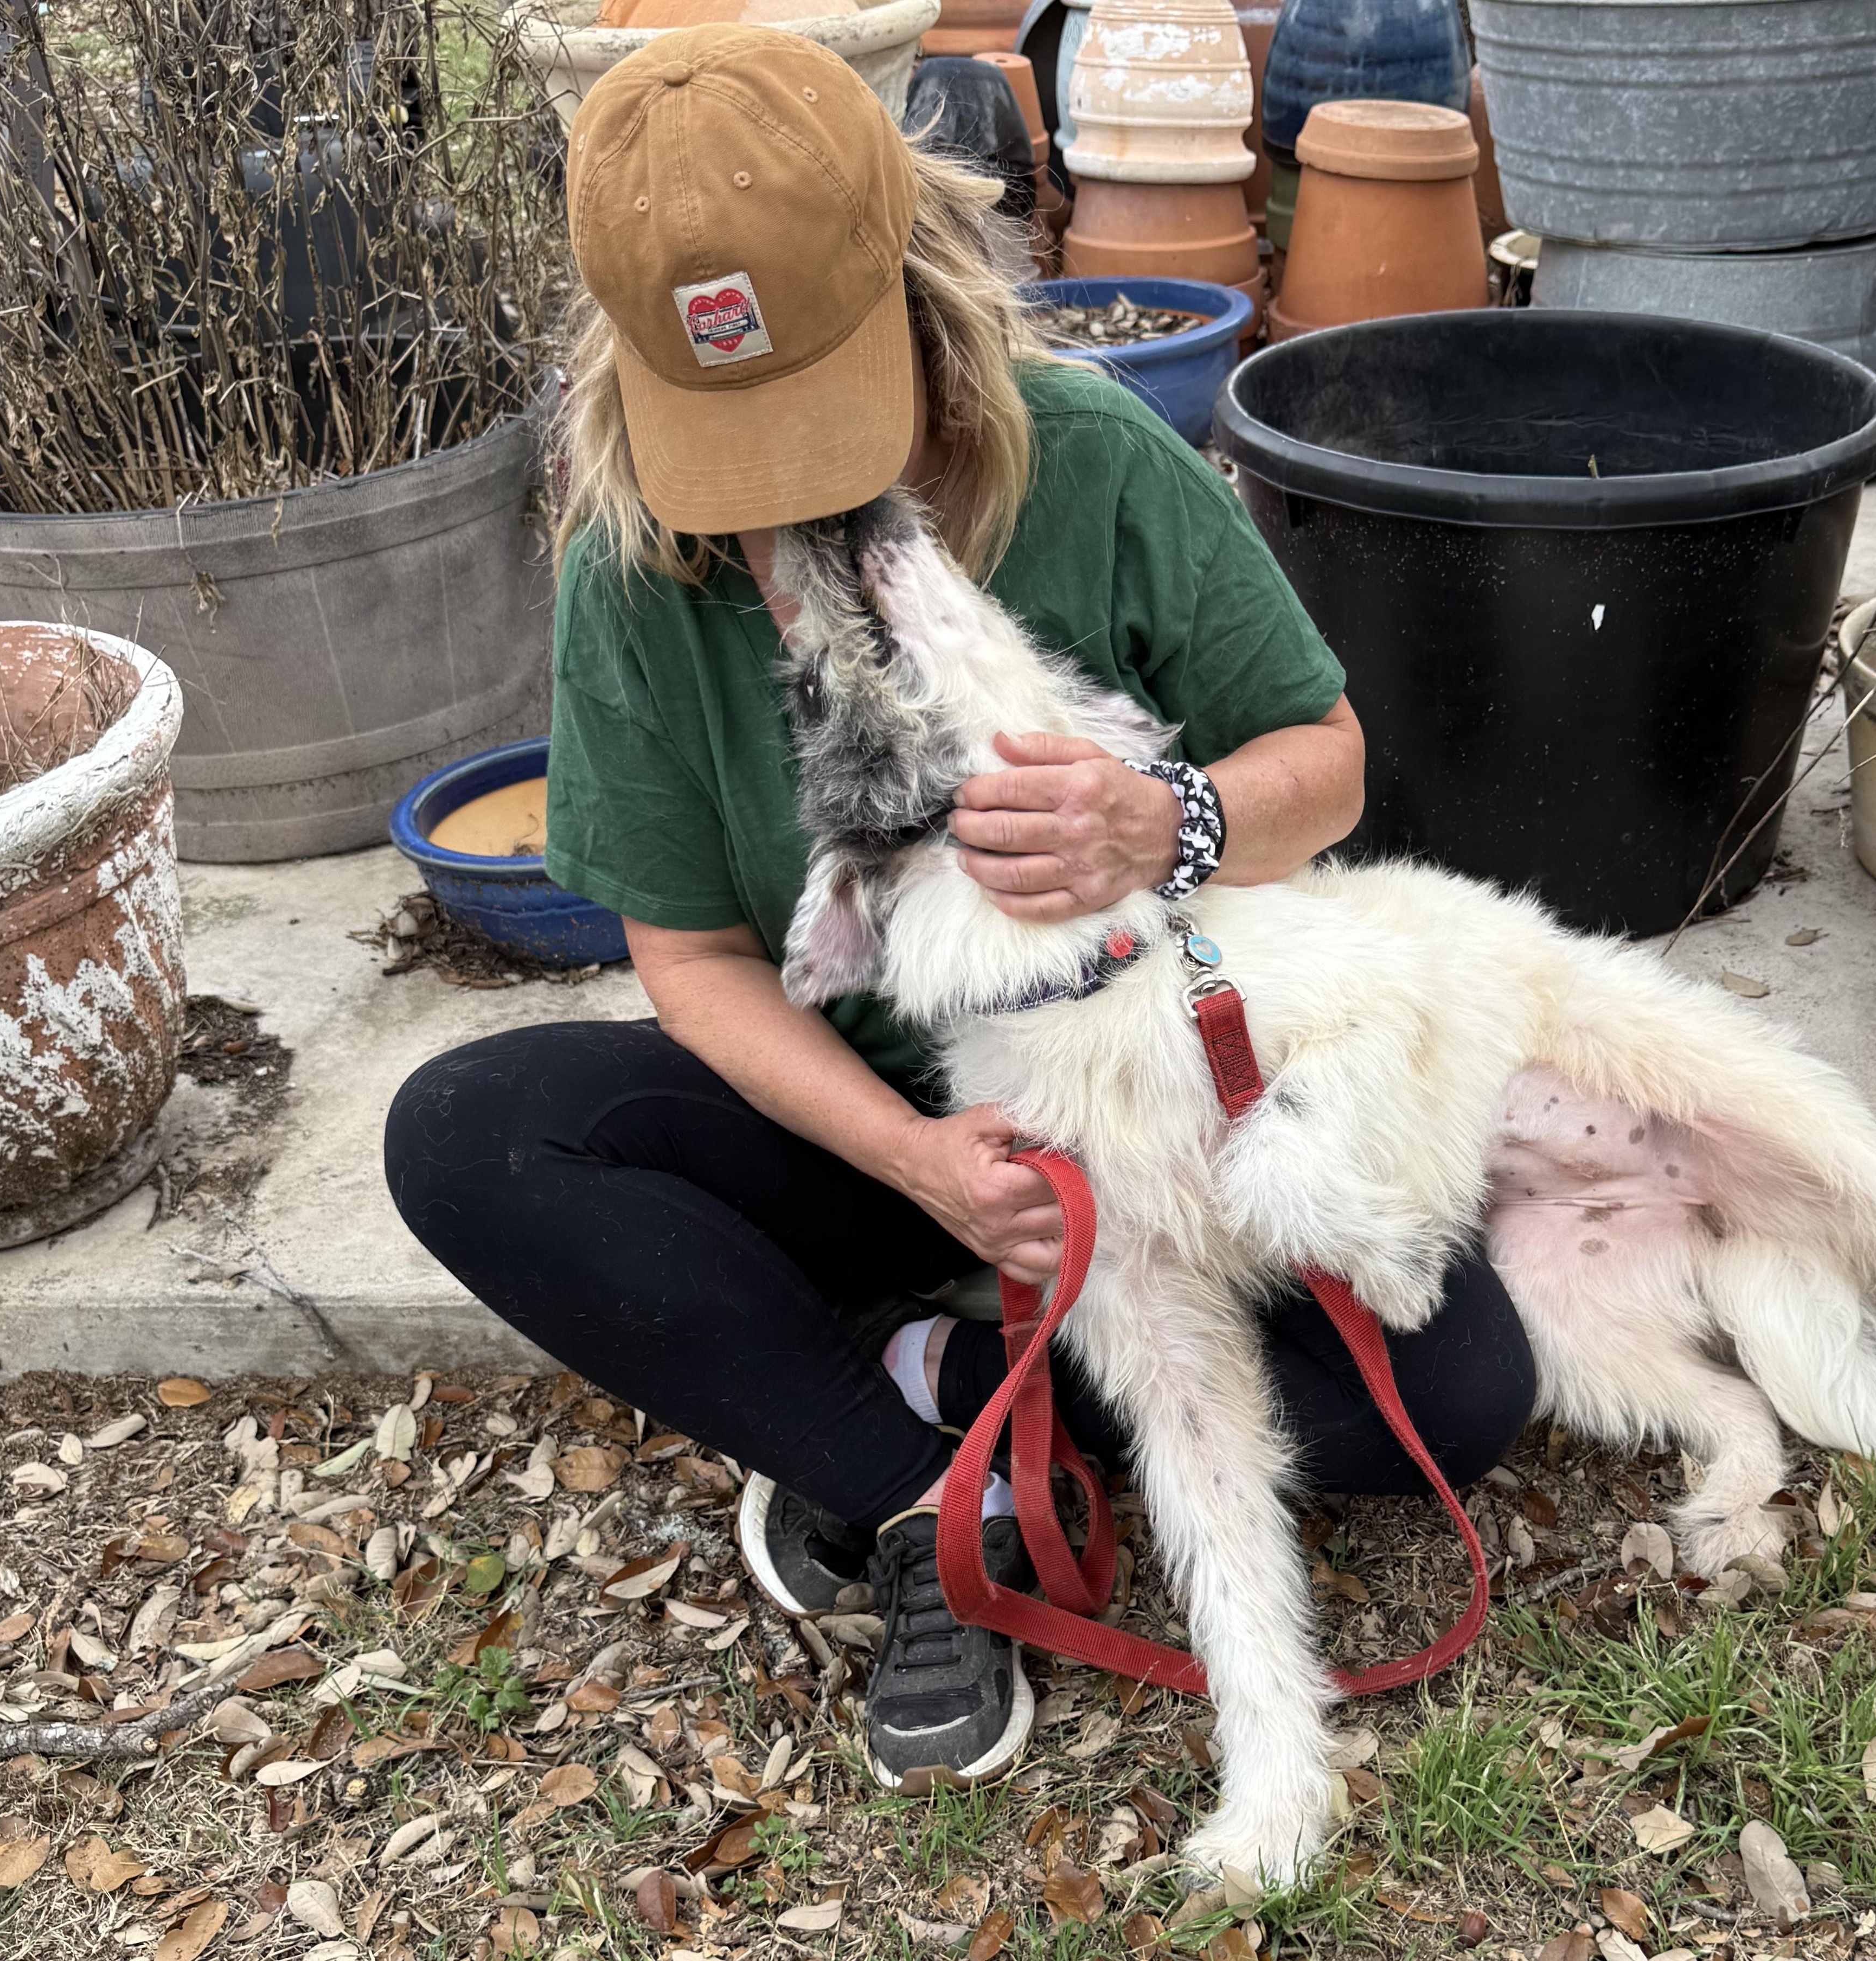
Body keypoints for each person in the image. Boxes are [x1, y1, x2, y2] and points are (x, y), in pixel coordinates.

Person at [384, 23, 1535, 1794]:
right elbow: (688, 964)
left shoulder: (1090, 455)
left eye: (817, 412)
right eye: (729, 435)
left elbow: (1331, 762)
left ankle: (903, 1378)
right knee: (468, 1133)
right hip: (876, 1132)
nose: (784, 492)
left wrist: (1172, 820)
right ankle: (935, 1496)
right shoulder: (631, 560)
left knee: (1454, 1393)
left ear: (917, 284)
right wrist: (925, 1169)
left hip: (1130, 1095)